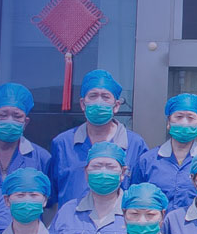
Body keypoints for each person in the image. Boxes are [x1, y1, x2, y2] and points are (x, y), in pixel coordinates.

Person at [49, 69, 152, 204]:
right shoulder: (63, 143)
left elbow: (141, 194)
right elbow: (51, 195)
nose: (99, 102)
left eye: (105, 97)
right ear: (82, 104)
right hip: (72, 217)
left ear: (116, 106)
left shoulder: (135, 144)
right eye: (93, 96)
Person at [134, 93, 197, 210]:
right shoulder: (147, 161)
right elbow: (135, 199)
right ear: (168, 122)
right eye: (179, 117)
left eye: (190, 118)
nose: (184, 123)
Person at [0, 83, 51, 190]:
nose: (10, 121)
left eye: (17, 116)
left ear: (25, 122)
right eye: (3, 115)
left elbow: (49, 197)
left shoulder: (41, 158)